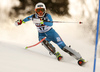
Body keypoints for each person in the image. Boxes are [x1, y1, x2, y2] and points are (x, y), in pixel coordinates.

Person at [15, 2, 85, 65]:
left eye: (42, 10)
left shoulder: (47, 16)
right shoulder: (33, 17)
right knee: (43, 41)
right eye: (38, 10)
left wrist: (43, 22)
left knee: (63, 46)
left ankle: (79, 58)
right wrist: (20, 22)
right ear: (35, 11)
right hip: (41, 34)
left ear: (44, 10)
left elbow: (50, 23)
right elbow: (26, 19)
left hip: (51, 33)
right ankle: (56, 53)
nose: (40, 12)